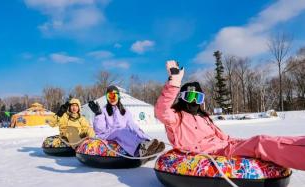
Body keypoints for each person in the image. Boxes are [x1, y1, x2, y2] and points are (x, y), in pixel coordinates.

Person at [155, 60, 305, 170]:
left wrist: (241, 142)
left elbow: (224, 139)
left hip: (225, 146)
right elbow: (161, 111)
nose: (194, 101)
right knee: (261, 142)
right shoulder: (176, 117)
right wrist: (174, 81)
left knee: (265, 139)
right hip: (210, 153)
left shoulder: (204, 118)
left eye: (198, 97)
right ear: (181, 97)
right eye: (190, 96)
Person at [89, 85, 165, 157]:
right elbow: (99, 130)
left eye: (114, 96)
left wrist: (146, 138)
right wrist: (98, 114)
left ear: (118, 96)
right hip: (107, 134)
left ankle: (148, 146)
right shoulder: (103, 110)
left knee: (131, 132)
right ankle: (139, 149)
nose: (112, 99)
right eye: (110, 96)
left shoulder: (125, 111)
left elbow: (132, 126)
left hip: (122, 133)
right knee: (121, 131)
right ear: (107, 98)